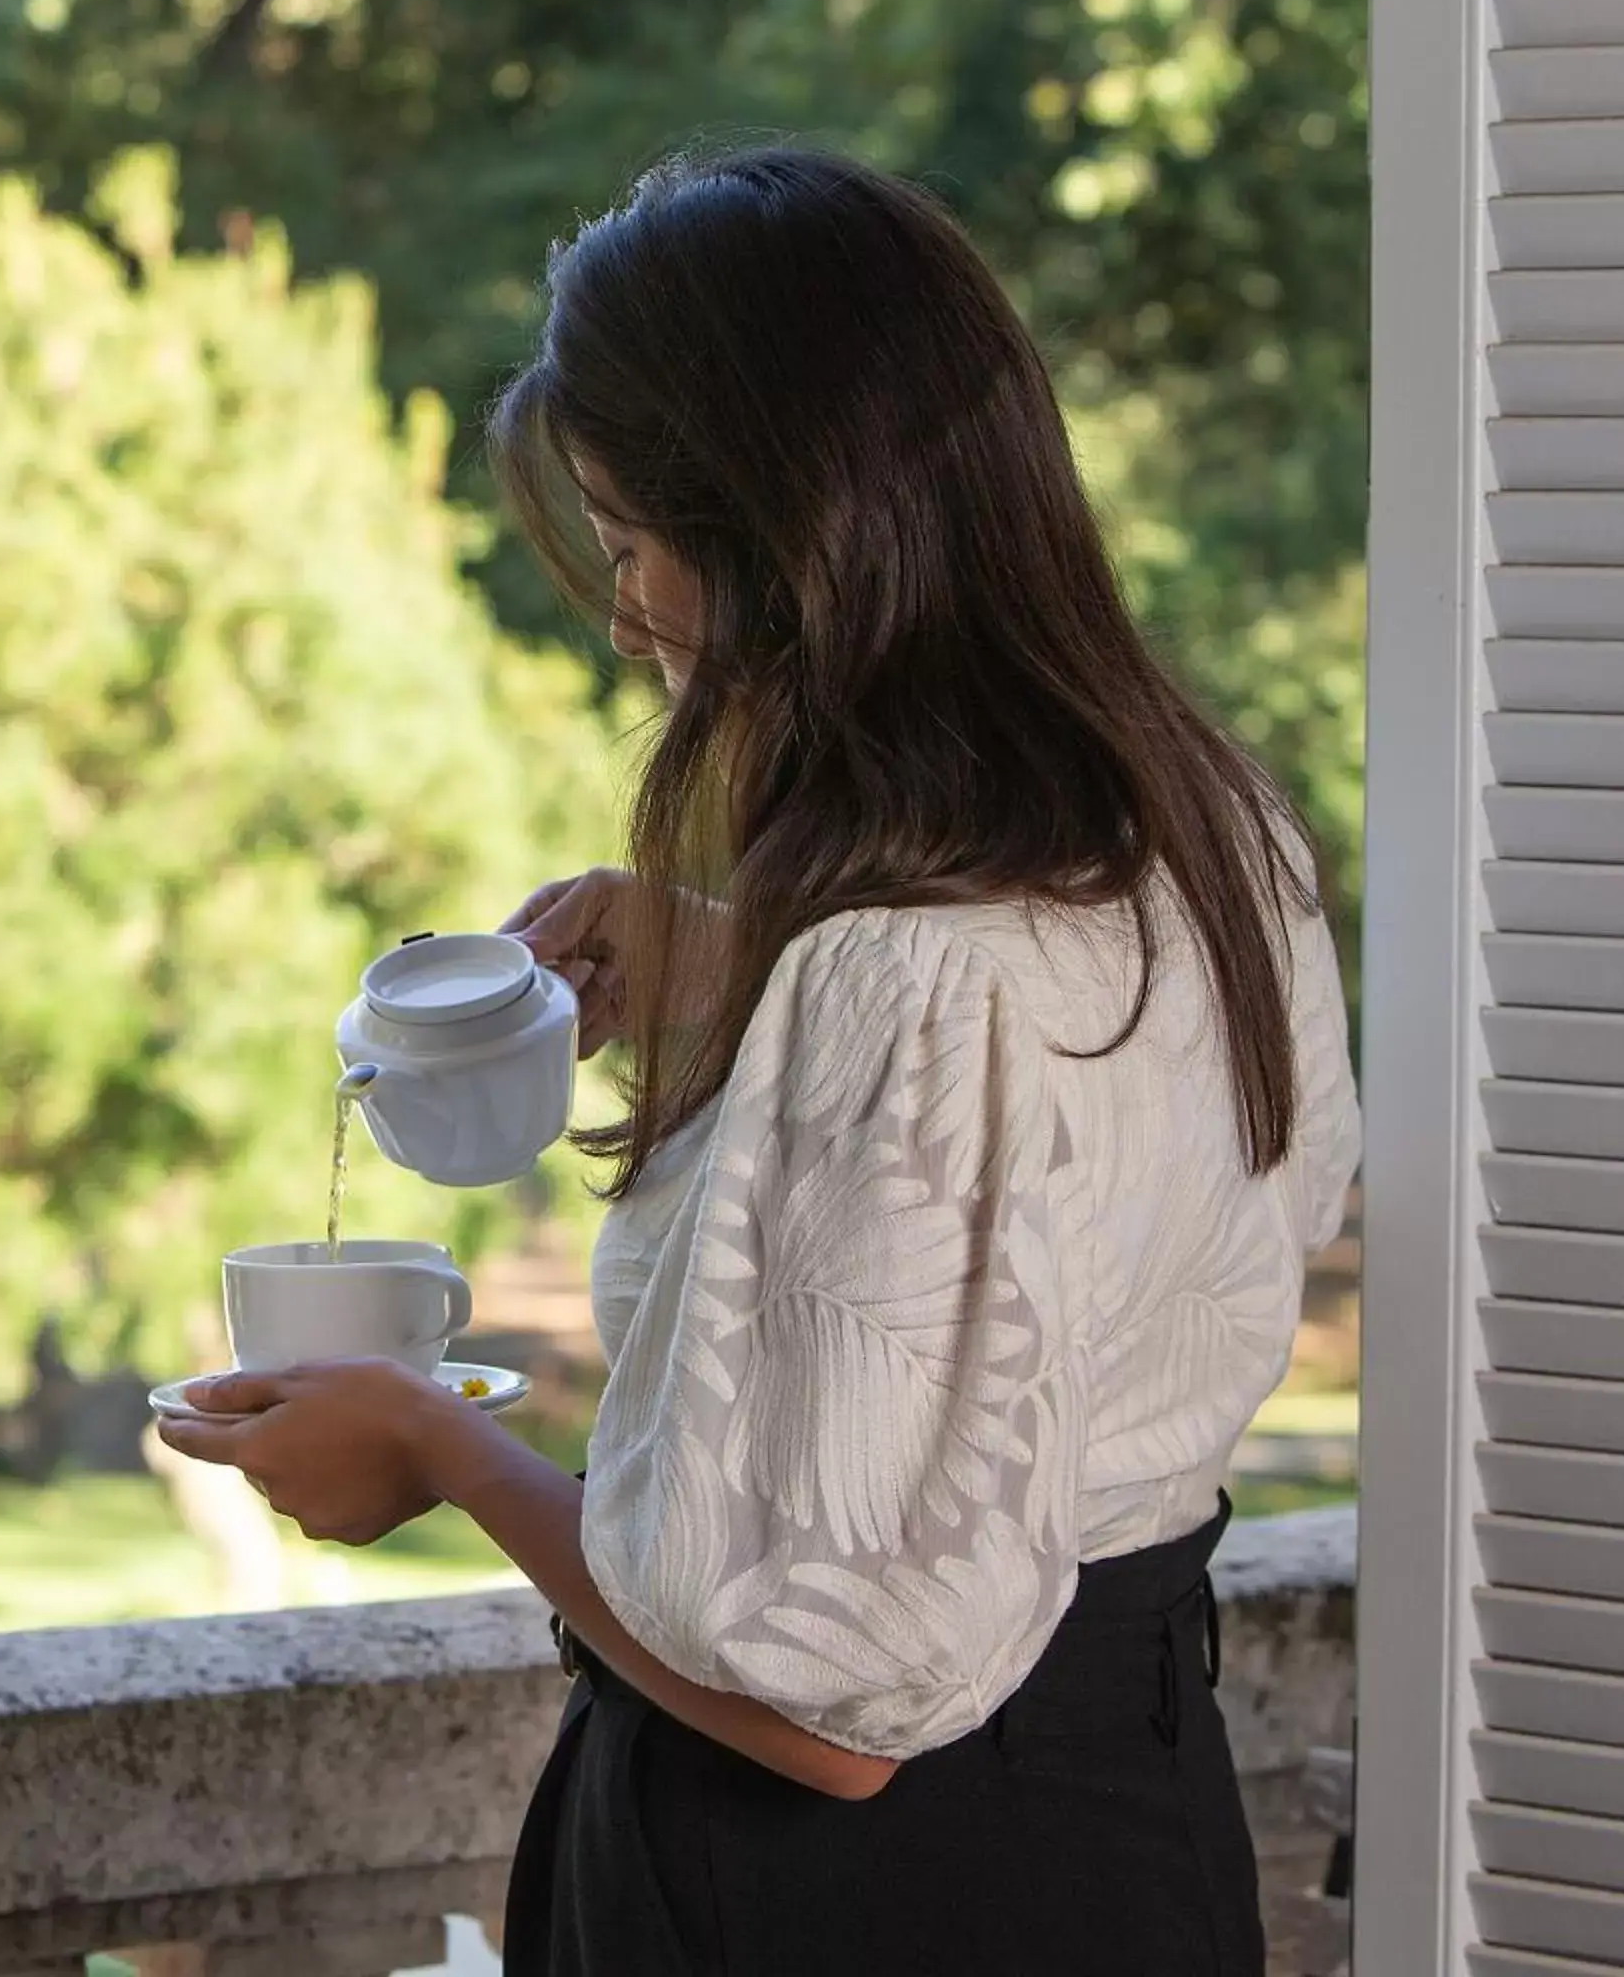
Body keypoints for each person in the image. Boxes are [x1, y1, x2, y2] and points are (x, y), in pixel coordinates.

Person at [155, 143, 1360, 1977]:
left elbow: (826, 1717)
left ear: (798, 537)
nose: (628, 615)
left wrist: (438, 1454)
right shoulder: (1214, 835)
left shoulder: (901, 982)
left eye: (636, 543)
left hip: (844, 1902)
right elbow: (1097, 1189)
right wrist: (745, 970)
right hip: (1132, 1823)